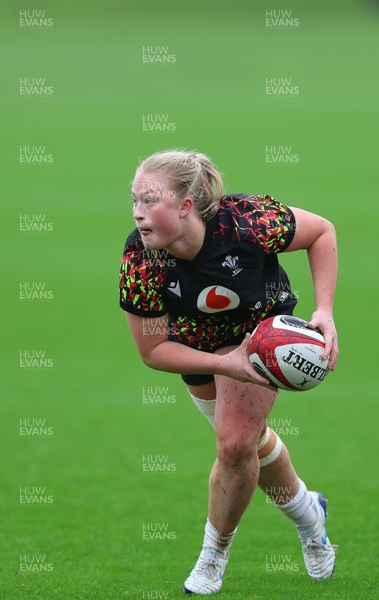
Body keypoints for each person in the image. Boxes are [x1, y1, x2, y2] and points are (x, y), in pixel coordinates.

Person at [120, 149, 339, 595]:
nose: (138, 215)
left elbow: (321, 232)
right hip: (197, 345)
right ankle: (309, 513)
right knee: (248, 443)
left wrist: (325, 311)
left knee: (235, 443)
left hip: (260, 332)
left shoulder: (247, 221)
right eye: (134, 201)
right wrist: (224, 364)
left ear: (185, 206)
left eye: (149, 201)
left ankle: (213, 556)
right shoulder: (142, 259)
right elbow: (153, 349)